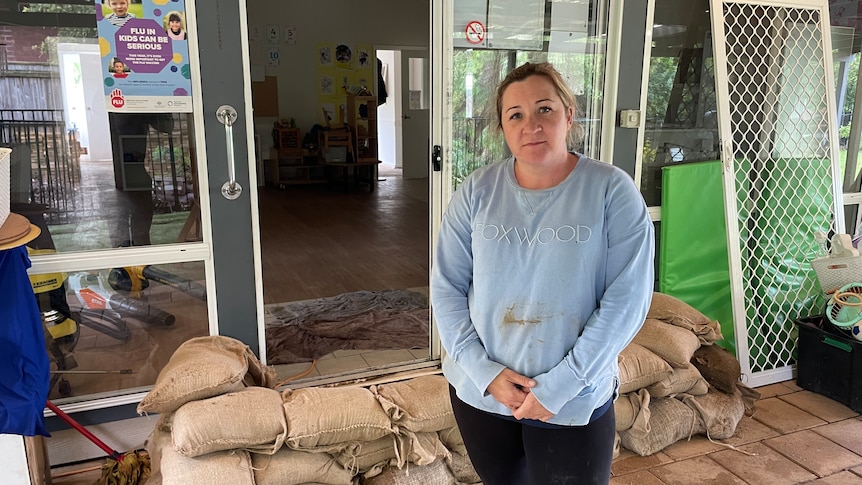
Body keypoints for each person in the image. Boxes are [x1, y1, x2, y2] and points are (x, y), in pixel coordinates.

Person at [430, 61, 655, 485]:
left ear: (569, 115)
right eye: (515, 114)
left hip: (571, 397)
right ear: (502, 127)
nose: (530, 124)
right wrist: (484, 372)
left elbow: (626, 302)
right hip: (485, 395)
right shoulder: (477, 191)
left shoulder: (611, 190)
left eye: (544, 109)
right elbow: (447, 287)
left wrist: (560, 386)